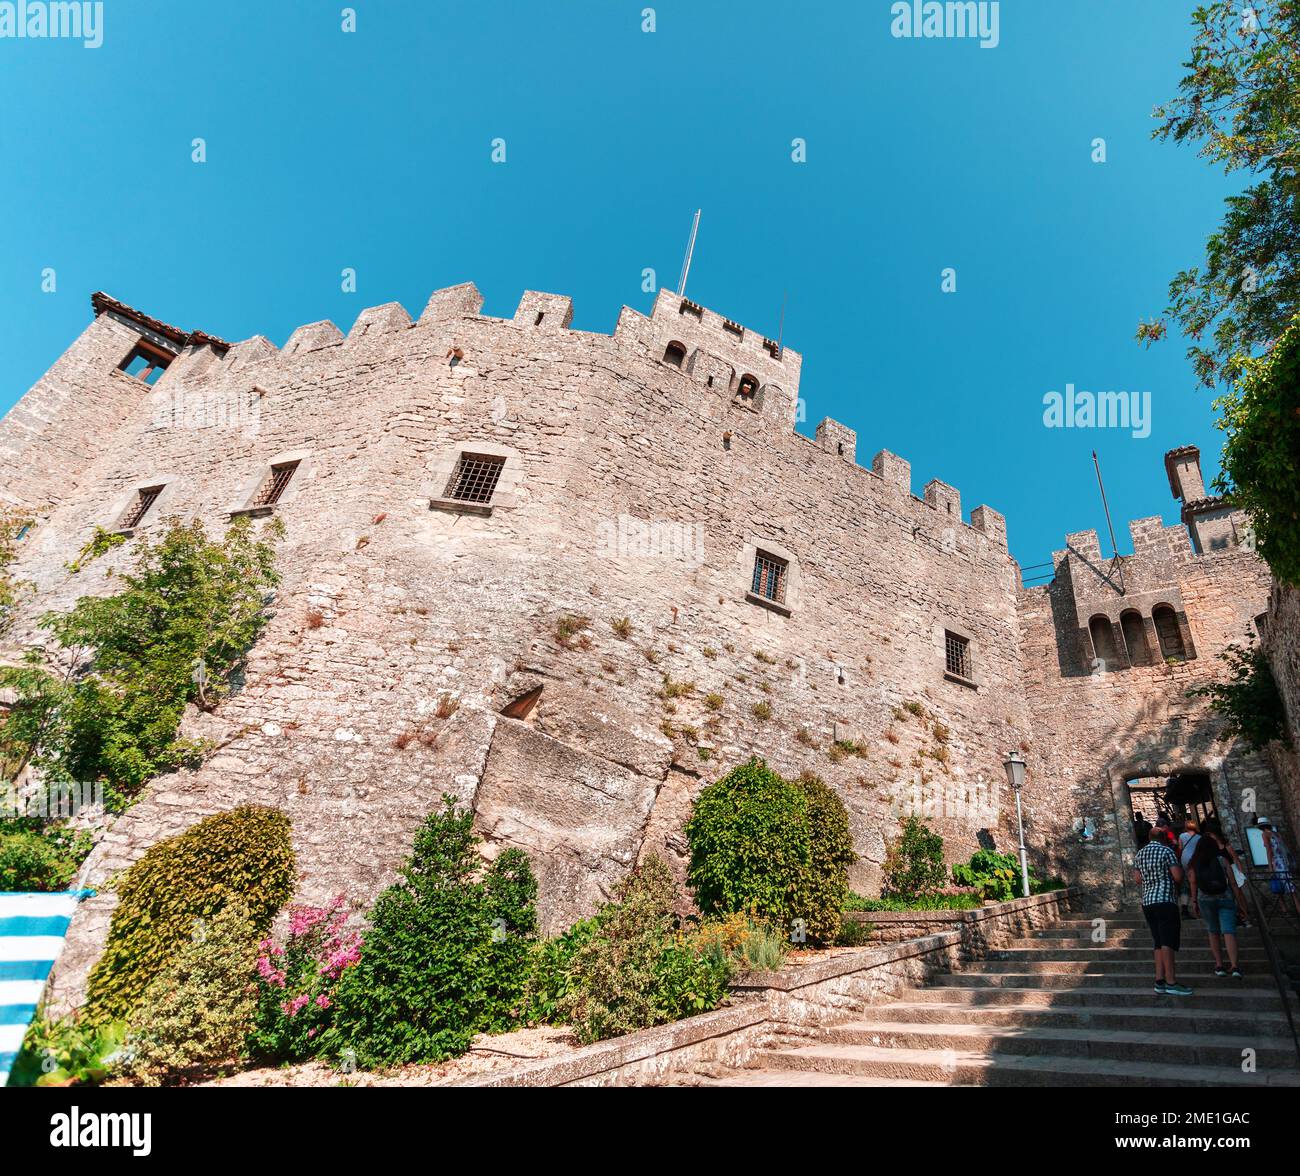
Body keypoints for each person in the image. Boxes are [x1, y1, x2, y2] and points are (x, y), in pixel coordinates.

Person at [1134, 830, 1192, 996]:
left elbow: (1137, 879)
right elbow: (1177, 876)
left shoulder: (1140, 854)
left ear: (1149, 838)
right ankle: (1171, 981)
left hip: (1148, 901)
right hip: (1165, 899)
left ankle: (1159, 980)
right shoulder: (1167, 851)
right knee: (1167, 941)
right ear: (1164, 839)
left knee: (1158, 941)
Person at [1189, 828, 1249, 978]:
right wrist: (1241, 903)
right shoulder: (1222, 860)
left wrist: (1194, 901)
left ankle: (1219, 965)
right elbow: (1233, 883)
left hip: (1205, 899)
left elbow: (1193, 883)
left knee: (1213, 931)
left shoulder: (1195, 862)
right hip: (1225, 897)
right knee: (1229, 931)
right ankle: (1234, 966)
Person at [1257, 818, 1300, 918]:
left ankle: (1285, 911)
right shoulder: (1276, 834)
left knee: (1277, 887)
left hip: (1277, 863)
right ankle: (1298, 909)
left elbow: (1269, 851)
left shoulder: (1265, 834)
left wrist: (1270, 866)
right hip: (1284, 862)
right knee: (1291, 888)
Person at [1177, 817, 1201, 918]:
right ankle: (1198, 905)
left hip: (1185, 861)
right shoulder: (1199, 837)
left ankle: (1185, 909)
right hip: (1196, 861)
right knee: (1197, 883)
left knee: (1185, 885)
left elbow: (1180, 848)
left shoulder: (1182, 836)